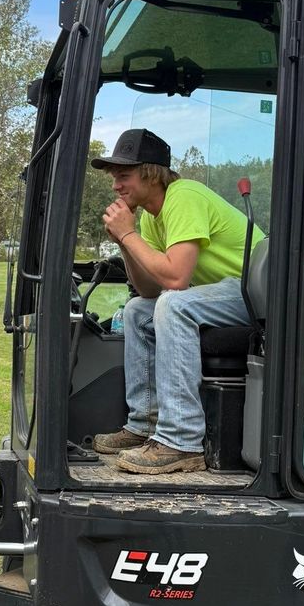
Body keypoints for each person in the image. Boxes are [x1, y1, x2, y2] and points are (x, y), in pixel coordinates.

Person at [90, 128, 264, 474]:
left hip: (256, 292)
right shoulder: (152, 218)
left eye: (123, 176)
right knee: (140, 311)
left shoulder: (183, 196)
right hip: (219, 295)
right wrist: (127, 242)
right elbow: (149, 291)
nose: (115, 186)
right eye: (114, 178)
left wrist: (127, 233)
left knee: (175, 303)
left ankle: (181, 440)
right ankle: (145, 424)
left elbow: (176, 279)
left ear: (151, 173)